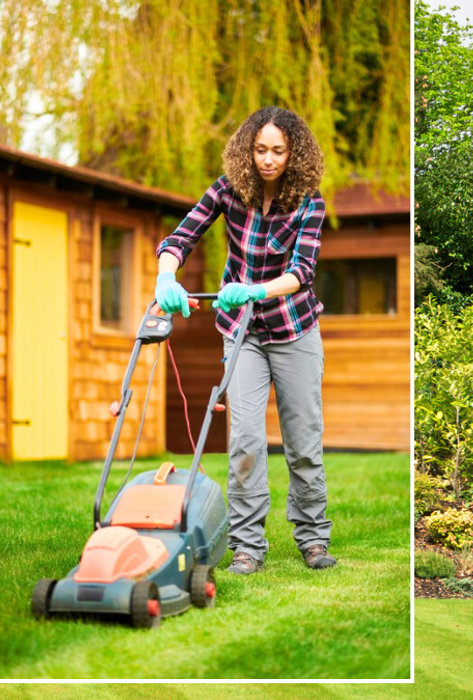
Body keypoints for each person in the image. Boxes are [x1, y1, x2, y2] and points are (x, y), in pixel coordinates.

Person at [153, 106, 336, 574]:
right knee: (246, 442)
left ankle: (313, 539)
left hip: (294, 329)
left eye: (278, 150)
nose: (268, 159)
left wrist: (257, 288)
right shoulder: (227, 190)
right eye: (260, 150)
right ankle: (247, 546)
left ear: (294, 153)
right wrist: (165, 277)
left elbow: (302, 272)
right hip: (243, 333)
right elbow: (182, 236)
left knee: (303, 442)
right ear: (246, 151)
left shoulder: (309, 202)